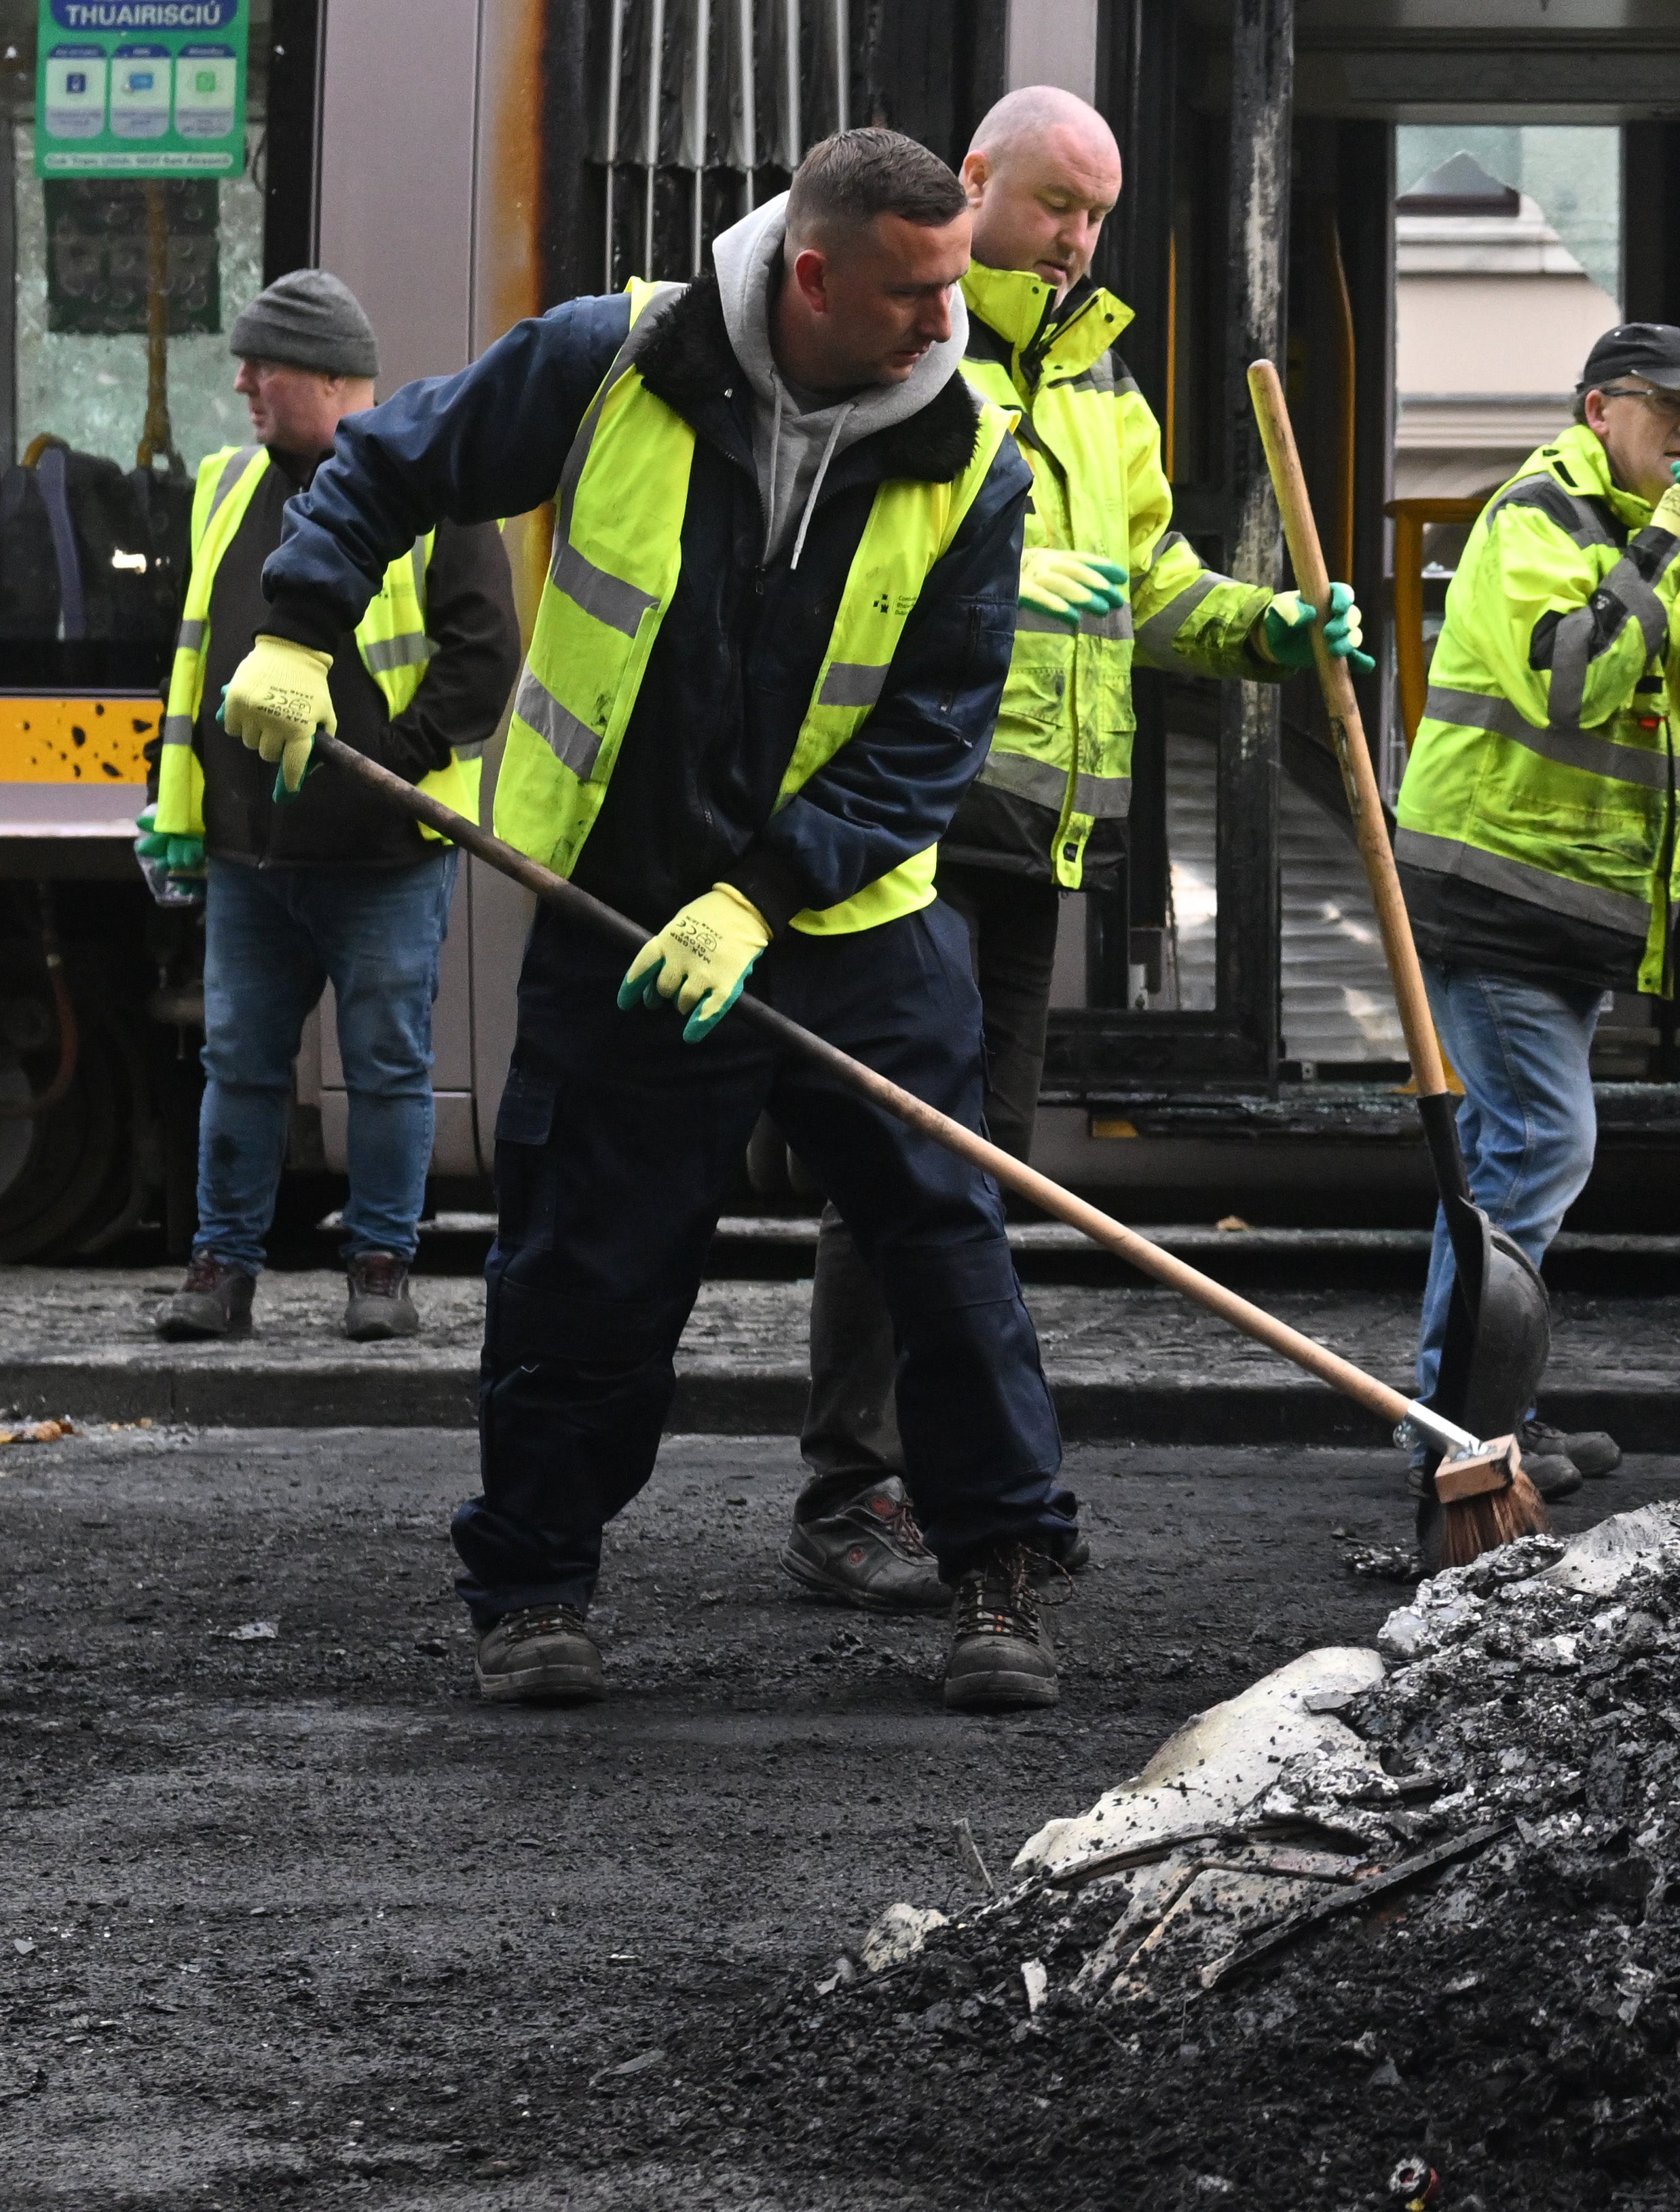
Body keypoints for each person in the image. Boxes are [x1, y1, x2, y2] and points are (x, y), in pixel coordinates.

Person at [227, 128, 1075, 1714]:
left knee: (946, 1248)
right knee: (587, 1261)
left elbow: (933, 734)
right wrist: (298, 626)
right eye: (910, 291)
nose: (944, 322)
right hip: (617, 899)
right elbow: (397, 457)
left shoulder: (973, 458)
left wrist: (759, 897)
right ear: (813, 274)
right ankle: (535, 1587)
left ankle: (1000, 1572)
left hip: (846, 920)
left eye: (956, 282)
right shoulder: (607, 362)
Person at [786, 84, 1366, 1612]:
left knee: (973, 1177)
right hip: (915, 821)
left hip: (1040, 839)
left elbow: (1147, 580)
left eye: (1098, 213)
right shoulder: (910, 343)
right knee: (901, 1167)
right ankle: (852, 1487)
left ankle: (947, 1476)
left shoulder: (1106, 382)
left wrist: (1269, 630)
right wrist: (1024, 575)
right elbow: (845, 533)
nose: (1078, 239)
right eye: (1057, 206)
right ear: (976, 183)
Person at [1390, 322, 1680, 1411]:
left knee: (1496, 1164)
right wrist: (1664, 545)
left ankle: (1464, 1414)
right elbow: (1566, 682)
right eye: (1668, 409)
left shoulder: (1670, 530)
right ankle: (1471, 1425)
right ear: (1598, 410)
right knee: (1541, 1147)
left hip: (1568, 904)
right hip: (1493, 892)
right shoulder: (1537, 517)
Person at [141, 271, 516, 1346]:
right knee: (241, 1066)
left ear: (334, 379)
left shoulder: (431, 489)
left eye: (265, 363)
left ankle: (382, 1269)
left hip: (383, 852)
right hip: (247, 853)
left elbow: (485, 657)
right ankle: (224, 1270)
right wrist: (174, 805)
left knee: (387, 1066)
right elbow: (192, 662)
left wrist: (384, 764)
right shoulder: (225, 486)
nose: (244, 380)